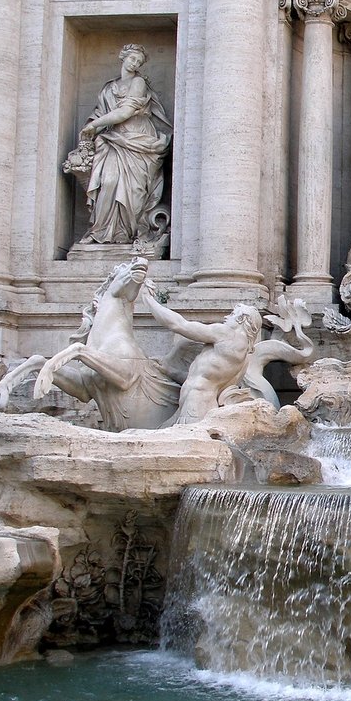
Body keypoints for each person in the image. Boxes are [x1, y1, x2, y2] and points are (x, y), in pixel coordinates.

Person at [77, 44, 172, 245]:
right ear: (123, 57)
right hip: (114, 140)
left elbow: (125, 112)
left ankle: (126, 234)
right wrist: (93, 128)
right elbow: (101, 112)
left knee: (134, 191)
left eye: (139, 62)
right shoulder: (108, 87)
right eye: (132, 59)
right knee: (109, 183)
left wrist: (94, 125)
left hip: (138, 141)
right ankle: (101, 231)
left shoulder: (138, 83)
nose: (135, 63)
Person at [140, 287, 262, 426]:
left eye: (232, 314)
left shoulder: (226, 334)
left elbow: (178, 325)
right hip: (200, 404)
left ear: (241, 319)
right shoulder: (244, 355)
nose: (226, 318)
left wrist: (149, 300)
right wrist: (169, 371)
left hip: (196, 405)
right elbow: (204, 377)